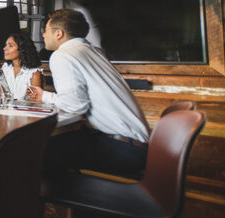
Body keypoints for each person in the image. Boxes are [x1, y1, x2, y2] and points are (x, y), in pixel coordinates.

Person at [29, 9, 150, 176]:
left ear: (58, 33)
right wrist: (45, 96)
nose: (43, 34)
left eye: (46, 30)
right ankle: (66, 193)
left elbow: (75, 107)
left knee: (34, 151)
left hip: (123, 150)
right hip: (136, 144)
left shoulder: (63, 55)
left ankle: (58, 196)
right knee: (57, 146)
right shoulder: (93, 51)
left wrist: (45, 100)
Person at [1, 32, 42, 100]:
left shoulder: (33, 74)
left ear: (22, 49)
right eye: (6, 45)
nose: (4, 48)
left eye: (10, 46)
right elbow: (2, 95)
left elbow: (36, 102)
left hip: (25, 110)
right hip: (7, 109)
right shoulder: (5, 69)